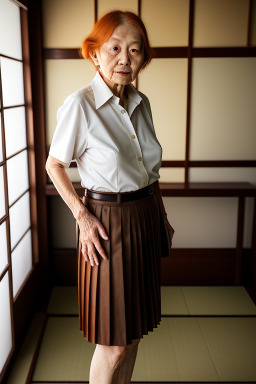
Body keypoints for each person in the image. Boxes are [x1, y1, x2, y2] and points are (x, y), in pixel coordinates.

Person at [45, 10, 174, 384]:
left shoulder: (141, 103)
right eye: (115, 47)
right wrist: (83, 218)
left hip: (145, 216)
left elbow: (149, 172)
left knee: (133, 334)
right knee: (112, 343)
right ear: (95, 53)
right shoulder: (80, 105)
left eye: (135, 50)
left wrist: (162, 218)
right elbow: (54, 166)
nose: (125, 58)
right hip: (105, 225)